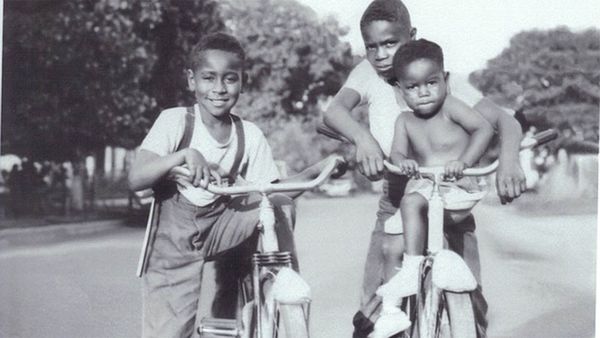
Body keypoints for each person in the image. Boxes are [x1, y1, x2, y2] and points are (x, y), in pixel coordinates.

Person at [322, 1, 526, 337]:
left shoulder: (438, 78)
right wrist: (363, 140)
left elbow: (504, 121)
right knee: (375, 305)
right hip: (400, 192)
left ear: (412, 36)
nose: (381, 55)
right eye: (371, 47)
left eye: (391, 43)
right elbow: (335, 112)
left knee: (471, 298)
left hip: (449, 191)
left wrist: (508, 161)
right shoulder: (367, 73)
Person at [128, 32, 325, 338]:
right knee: (168, 331)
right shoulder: (176, 122)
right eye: (209, 78)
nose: (219, 89)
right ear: (192, 81)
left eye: (230, 79)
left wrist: (317, 169)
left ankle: (283, 283)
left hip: (222, 227)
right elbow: (136, 177)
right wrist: (183, 155)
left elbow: (272, 191)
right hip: (174, 242)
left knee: (274, 205)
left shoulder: (249, 134)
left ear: (242, 81)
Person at [372, 39, 494, 337]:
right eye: (412, 87)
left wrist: (464, 162)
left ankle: (413, 271)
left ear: (445, 80)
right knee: (391, 243)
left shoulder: (451, 107)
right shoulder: (405, 121)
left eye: (431, 83)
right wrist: (404, 163)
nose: (423, 92)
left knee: (411, 203)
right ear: (400, 90)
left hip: (456, 192)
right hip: (425, 190)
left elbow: (484, 129)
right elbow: (397, 154)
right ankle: (392, 310)